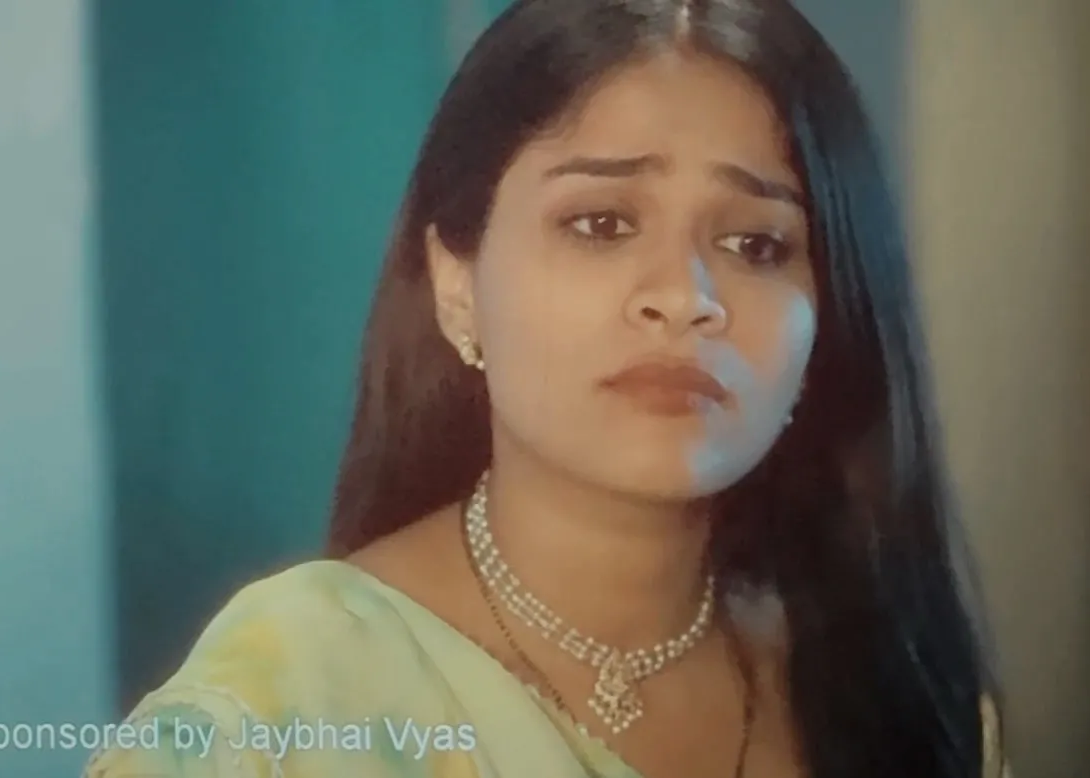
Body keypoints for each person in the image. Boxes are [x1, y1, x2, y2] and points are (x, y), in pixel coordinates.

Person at [84, 0, 1009, 776]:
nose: (684, 297)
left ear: (830, 318)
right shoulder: (280, 713)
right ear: (457, 284)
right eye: (601, 223)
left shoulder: (904, 705)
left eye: (756, 244)